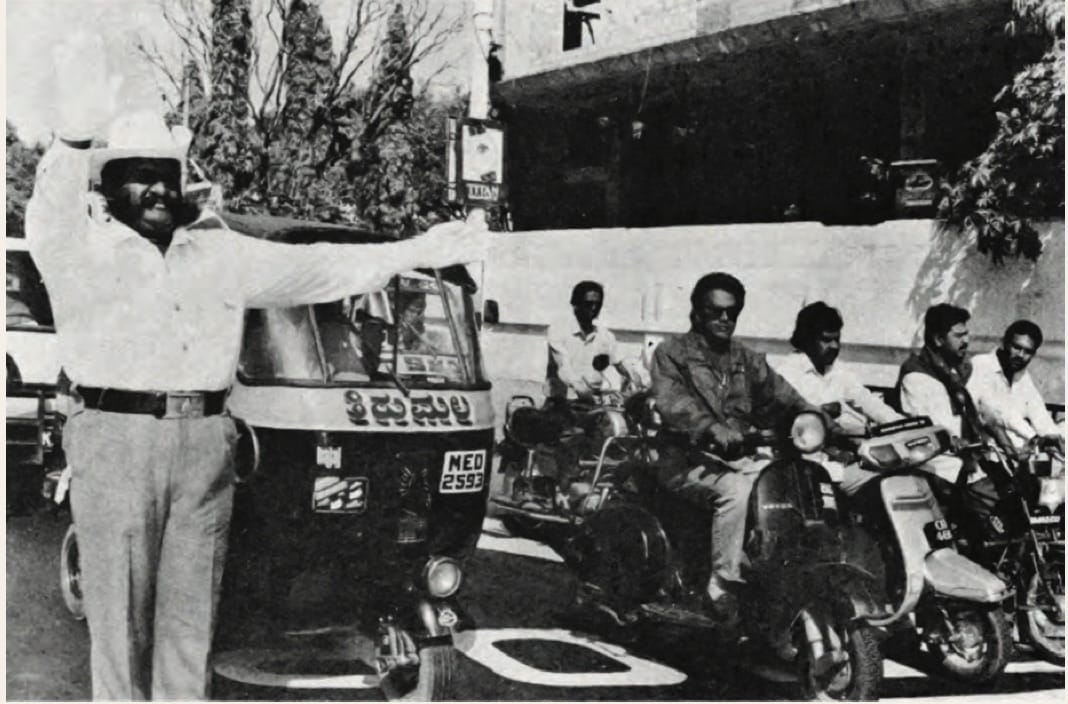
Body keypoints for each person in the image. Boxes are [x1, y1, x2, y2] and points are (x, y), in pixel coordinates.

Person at [28, 33, 490, 701]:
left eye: (167, 173)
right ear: (109, 184)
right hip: (116, 437)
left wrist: (417, 248)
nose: (158, 187)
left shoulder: (220, 254)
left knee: (191, 624)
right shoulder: (81, 252)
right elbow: (48, 215)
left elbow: (322, 268)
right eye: (139, 174)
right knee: (121, 623)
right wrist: (72, 142)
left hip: (207, 444)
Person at [651, 272, 812, 618]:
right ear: (696, 313)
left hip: (738, 459)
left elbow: (781, 396)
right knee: (737, 491)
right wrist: (710, 428)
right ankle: (722, 585)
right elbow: (673, 403)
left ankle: (776, 574)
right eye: (715, 311)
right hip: (684, 460)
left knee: (790, 482)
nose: (725, 319)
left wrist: (814, 417)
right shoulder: (671, 354)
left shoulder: (747, 359)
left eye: (732, 312)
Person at [773, 301, 903, 494]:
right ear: (807, 339)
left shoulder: (838, 370)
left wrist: (905, 425)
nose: (834, 346)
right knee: (885, 488)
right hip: (808, 468)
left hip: (844, 461)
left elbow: (869, 402)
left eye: (837, 339)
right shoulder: (787, 373)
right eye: (826, 340)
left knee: (902, 478)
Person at [966, 320, 1064, 457]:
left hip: (1016, 455)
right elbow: (997, 411)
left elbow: (1038, 413)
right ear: (1003, 343)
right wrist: (1034, 437)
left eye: (1028, 352)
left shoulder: (1021, 375)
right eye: (1017, 347)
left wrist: (1055, 438)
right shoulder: (981, 365)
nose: (1021, 355)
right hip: (985, 454)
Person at [544, 280, 640, 401]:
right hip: (562, 402)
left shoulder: (605, 336)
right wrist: (583, 391)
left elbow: (622, 364)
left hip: (593, 401)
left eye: (598, 304)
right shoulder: (558, 331)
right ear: (575, 304)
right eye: (588, 304)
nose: (594, 308)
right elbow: (564, 368)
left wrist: (634, 380)